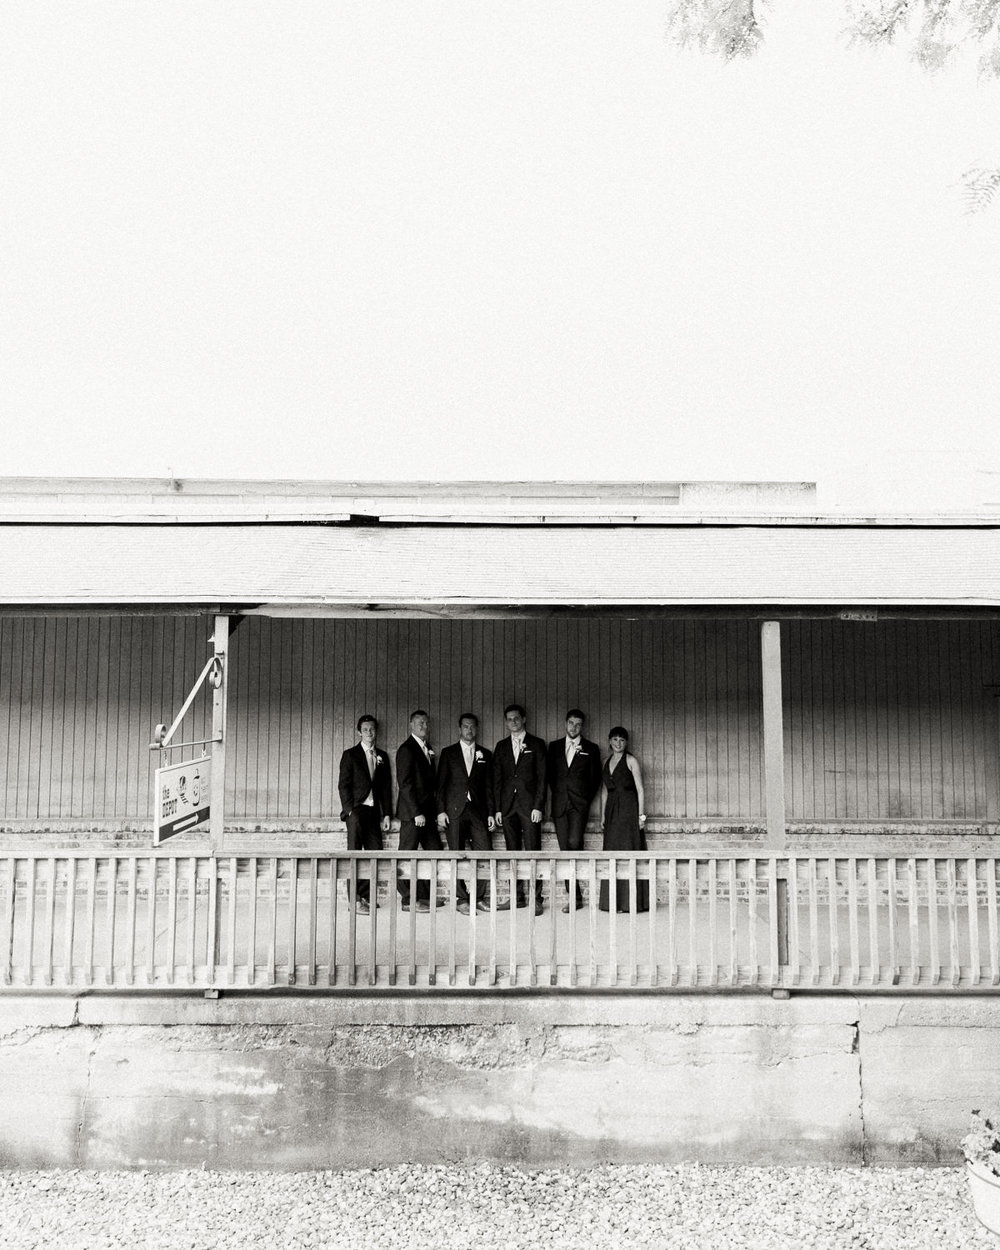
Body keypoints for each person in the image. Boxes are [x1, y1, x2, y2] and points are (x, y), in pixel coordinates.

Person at [436, 712, 500, 913]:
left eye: (472, 727)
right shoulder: (448, 753)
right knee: (456, 853)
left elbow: (489, 787)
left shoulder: (485, 754)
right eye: (465, 726)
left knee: (485, 852)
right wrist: (440, 811)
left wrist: (491, 813)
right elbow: (441, 786)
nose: (469, 730)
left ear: (477, 729)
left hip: (478, 811)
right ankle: (461, 899)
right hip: (454, 811)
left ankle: (479, 897)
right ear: (459, 729)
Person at [547, 708, 603, 912]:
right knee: (564, 850)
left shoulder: (591, 748)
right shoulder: (553, 747)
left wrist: (584, 798)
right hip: (560, 804)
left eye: (578, 724)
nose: (574, 727)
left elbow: (596, 778)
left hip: (579, 805)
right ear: (565, 723)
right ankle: (575, 898)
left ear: (583, 726)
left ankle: (576, 894)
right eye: (571, 723)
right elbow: (550, 776)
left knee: (574, 842)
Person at [493, 703, 547, 914]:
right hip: (507, 807)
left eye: (516, 718)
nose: (513, 722)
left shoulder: (537, 744)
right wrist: (498, 809)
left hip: (529, 806)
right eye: (509, 719)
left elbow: (543, 779)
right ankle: (516, 897)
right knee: (512, 851)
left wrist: (538, 806)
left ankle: (536, 899)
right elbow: (497, 779)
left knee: (533, 850)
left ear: (524, 719)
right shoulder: (501, 746)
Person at [338, 714, 392, 914]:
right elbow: (343, 785)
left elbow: (386, 788)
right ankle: (355, 900)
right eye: (366, 730)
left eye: (372, 729)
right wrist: (350, 810)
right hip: (356, 811)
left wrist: (387, 814)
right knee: (354, 854)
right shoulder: (350, 755)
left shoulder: (382, 756)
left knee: (373, 854)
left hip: (374, 812)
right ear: (359, 732)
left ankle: (367, 897)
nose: (370, 733)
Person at [395, 709, 444, 911]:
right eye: (419, 723)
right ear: (411, 725)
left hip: (428, 814)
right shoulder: (406, 749)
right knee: (407, 854)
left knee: (434, 851)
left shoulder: (427, 748)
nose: (423, 726)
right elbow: (405, 784)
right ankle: (407, 899)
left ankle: (423, 896)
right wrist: (416, 813)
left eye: (425, 723)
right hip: (413, 814)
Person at [598, 726, 649, 914]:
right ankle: (612, 902)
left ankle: (632, 902)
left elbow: (640, 789)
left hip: (629, 809)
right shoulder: (605, 761)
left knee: (629, 850)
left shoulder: (631, 761)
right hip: (612, 811)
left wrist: (641, 816)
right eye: (615, 739)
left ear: (626, 743)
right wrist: (603, 814)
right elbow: (604, 790)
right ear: (609, 741)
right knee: (612, 852)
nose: (618, 743)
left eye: (622, 740)